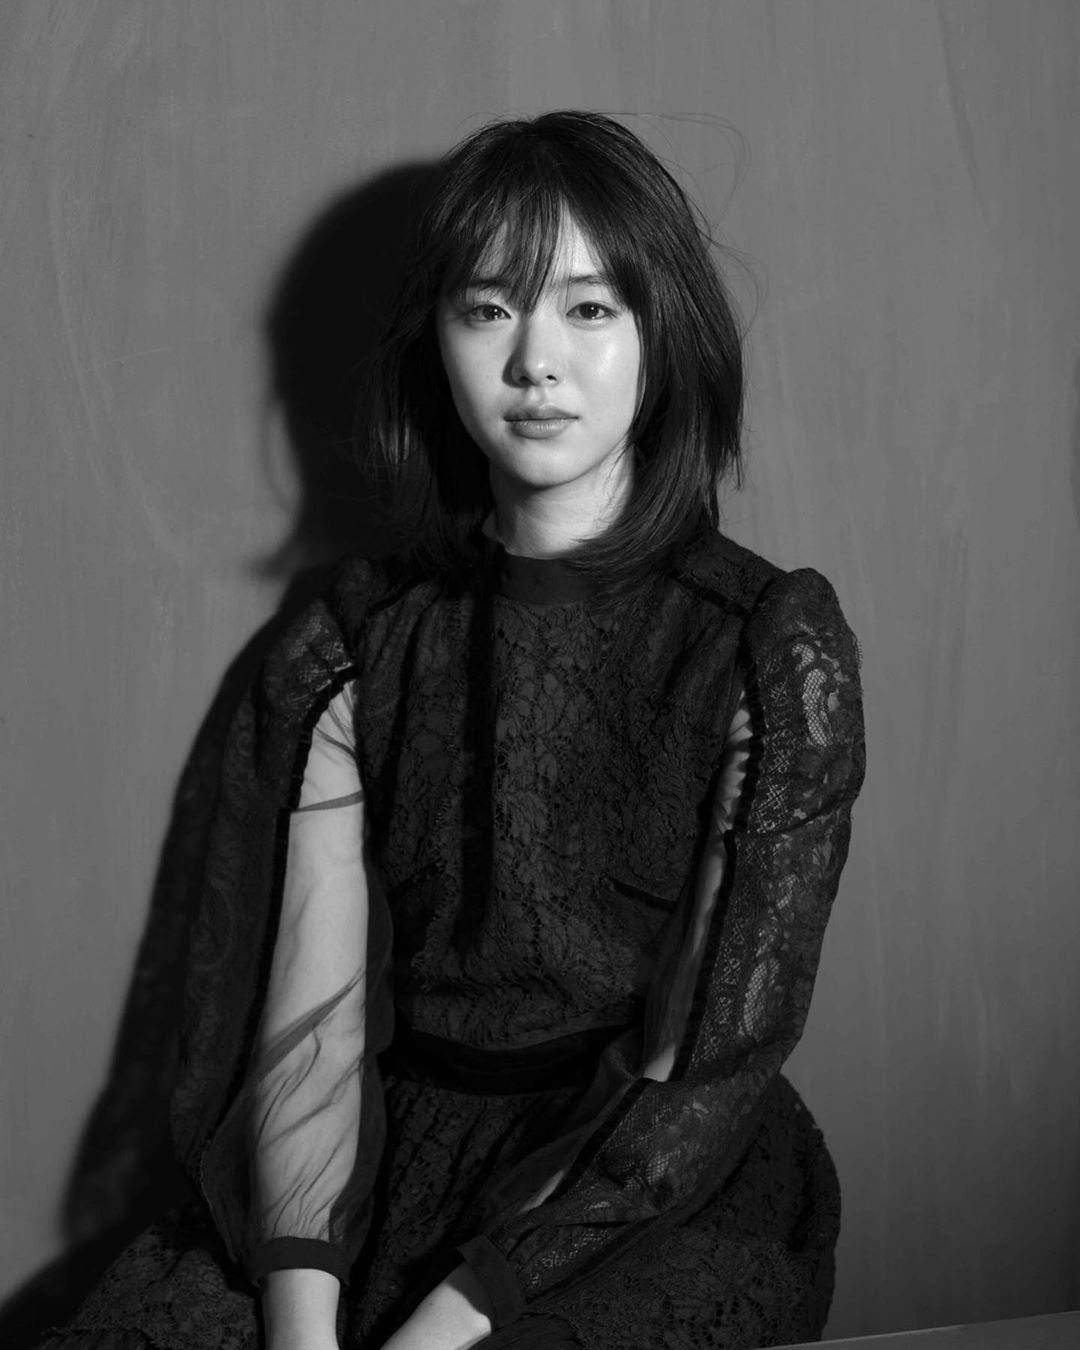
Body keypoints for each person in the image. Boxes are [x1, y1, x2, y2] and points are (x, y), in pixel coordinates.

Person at [39, 110, 866, 1350]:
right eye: (489, 309)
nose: (536, 362)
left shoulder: (762, 643)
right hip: (389, 1163)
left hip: (646, 1181)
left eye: (589, 308)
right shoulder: (354, 639)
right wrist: (304, 1324)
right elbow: (310, 1038)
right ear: (437, 338)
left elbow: (696, 1058)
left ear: (664, 333)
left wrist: (440, 1330)